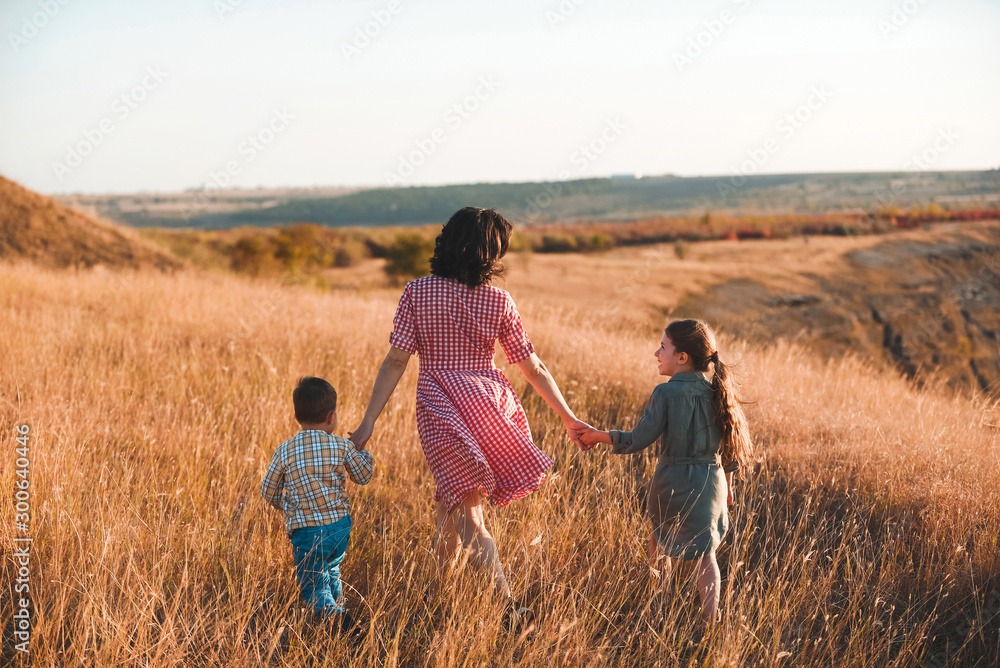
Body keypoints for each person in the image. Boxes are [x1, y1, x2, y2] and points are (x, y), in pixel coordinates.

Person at [349, 207, 586, 618]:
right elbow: (532, 367)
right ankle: (438, 597)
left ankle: (507, 604)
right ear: (489, 253)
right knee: (451, 501)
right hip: (490, 406)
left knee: (468, 518)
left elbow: (395, 362)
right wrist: (568, 417)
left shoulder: (418, 293)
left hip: (442, 407)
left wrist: (369, 419)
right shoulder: (498, 299)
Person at [578, 319, 753, 629]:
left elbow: (638, 439)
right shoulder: (719, 391)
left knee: (659, 540)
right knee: (706, 554)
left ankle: (661, 603)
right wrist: (728, 487)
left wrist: (597, 435)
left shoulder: (665, 394)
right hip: (711, 484)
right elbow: (730, 449)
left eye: (662, 347)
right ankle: (712, 621)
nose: (656, 353)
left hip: (671, 484)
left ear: (682, 357)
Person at [261, 376, 374, 623]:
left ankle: (333, 616)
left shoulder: (285, 450)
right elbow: (363, 477)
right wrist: (361, 449)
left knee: (313, 580)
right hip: (339, 528)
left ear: (296, 417)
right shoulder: (341, 446)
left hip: (307, 531)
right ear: (331, 416)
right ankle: (339, 614)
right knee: (331, 569)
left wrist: (289, 506)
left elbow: (268, 490)